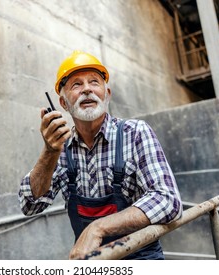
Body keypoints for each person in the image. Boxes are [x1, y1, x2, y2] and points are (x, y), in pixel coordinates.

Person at [18, 50, 182, 260]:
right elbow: (30, 205)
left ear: (107, 94)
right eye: (76, 85)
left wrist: (98, 228)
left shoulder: (135, 133)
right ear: (63, 103)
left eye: (94, 82)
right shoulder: (61, 148)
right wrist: (50, 152)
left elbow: (168, 200)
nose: (86, 89)